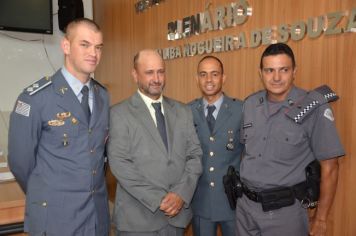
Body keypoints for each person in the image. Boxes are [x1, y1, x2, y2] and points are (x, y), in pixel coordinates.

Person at [8, 18, 110, 236]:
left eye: (98, 47)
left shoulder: (103, 96)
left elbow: (99, 156)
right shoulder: (35, 98)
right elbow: (20, 163)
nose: (94, 53)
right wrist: (46, 194)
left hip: (96, 217)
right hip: (56, 217)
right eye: (85, 44)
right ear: (66, 46)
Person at [236, 43, 345, 236]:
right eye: (269, 70)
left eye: (283, 70)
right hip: (246, 209)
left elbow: (331, 167)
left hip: (285, 214)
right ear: (260, 73)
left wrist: (320, 219)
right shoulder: (250, 104)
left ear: (294, 71)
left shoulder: (314, 107)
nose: (276, 77)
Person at [108, 49, 203, 236]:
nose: (157, 78)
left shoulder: (183, 111)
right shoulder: (119, 114)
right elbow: (120, 165)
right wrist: (162, 200)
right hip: (137, 221)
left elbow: (195, 155)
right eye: (149, 72)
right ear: (135, 75)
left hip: (176, 219)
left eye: (161, 71)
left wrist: (180, 195)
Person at [189, 55, 243, 236]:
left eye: (214, 74)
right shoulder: (186, 112)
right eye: (203, 75)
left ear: (223, 78)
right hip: (200, 201)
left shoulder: (241, 110)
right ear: (197, 79)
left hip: (233, 200)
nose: (209, 80)